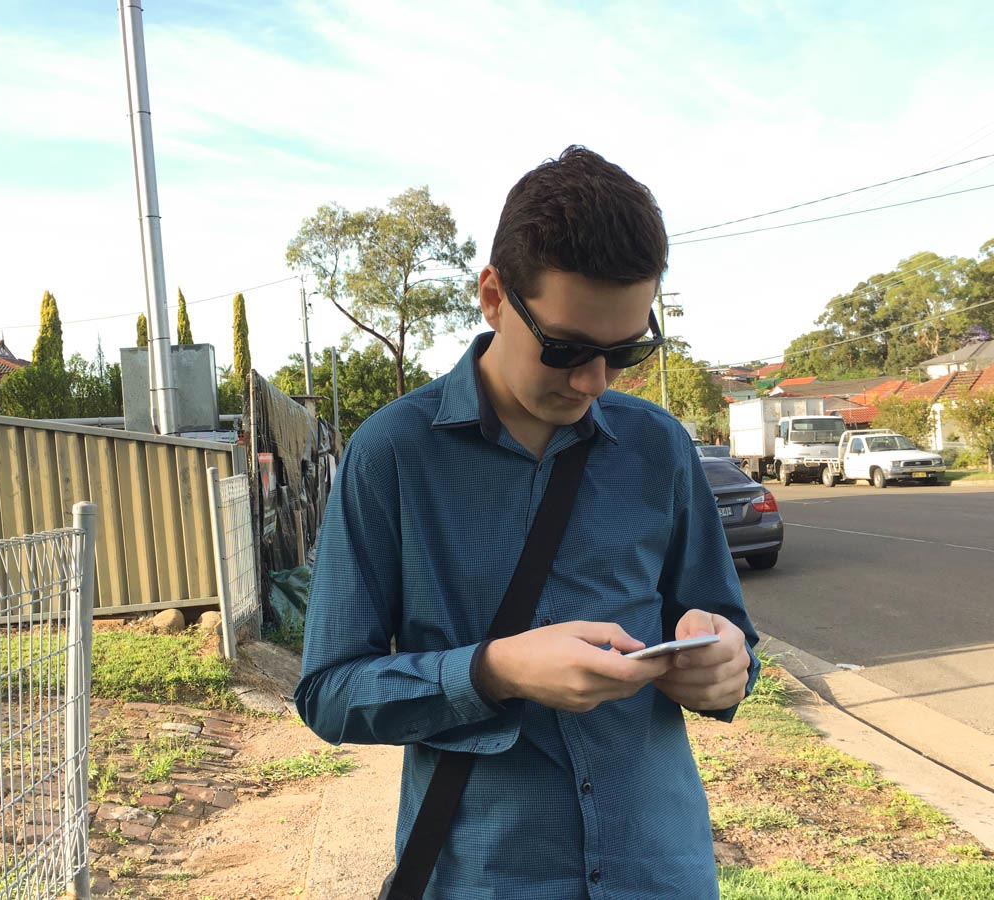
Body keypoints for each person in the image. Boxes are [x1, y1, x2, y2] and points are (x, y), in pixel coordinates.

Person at [295, 146, 759, 899]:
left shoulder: (659, 446)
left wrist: (727, 664)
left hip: (660, 870)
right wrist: (495, 670)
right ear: (493, 296)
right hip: (488, 875)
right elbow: (328, 692)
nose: (594, 381)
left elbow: (727, 627)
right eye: (568, 348)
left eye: (625, 351)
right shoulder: (391, 455)